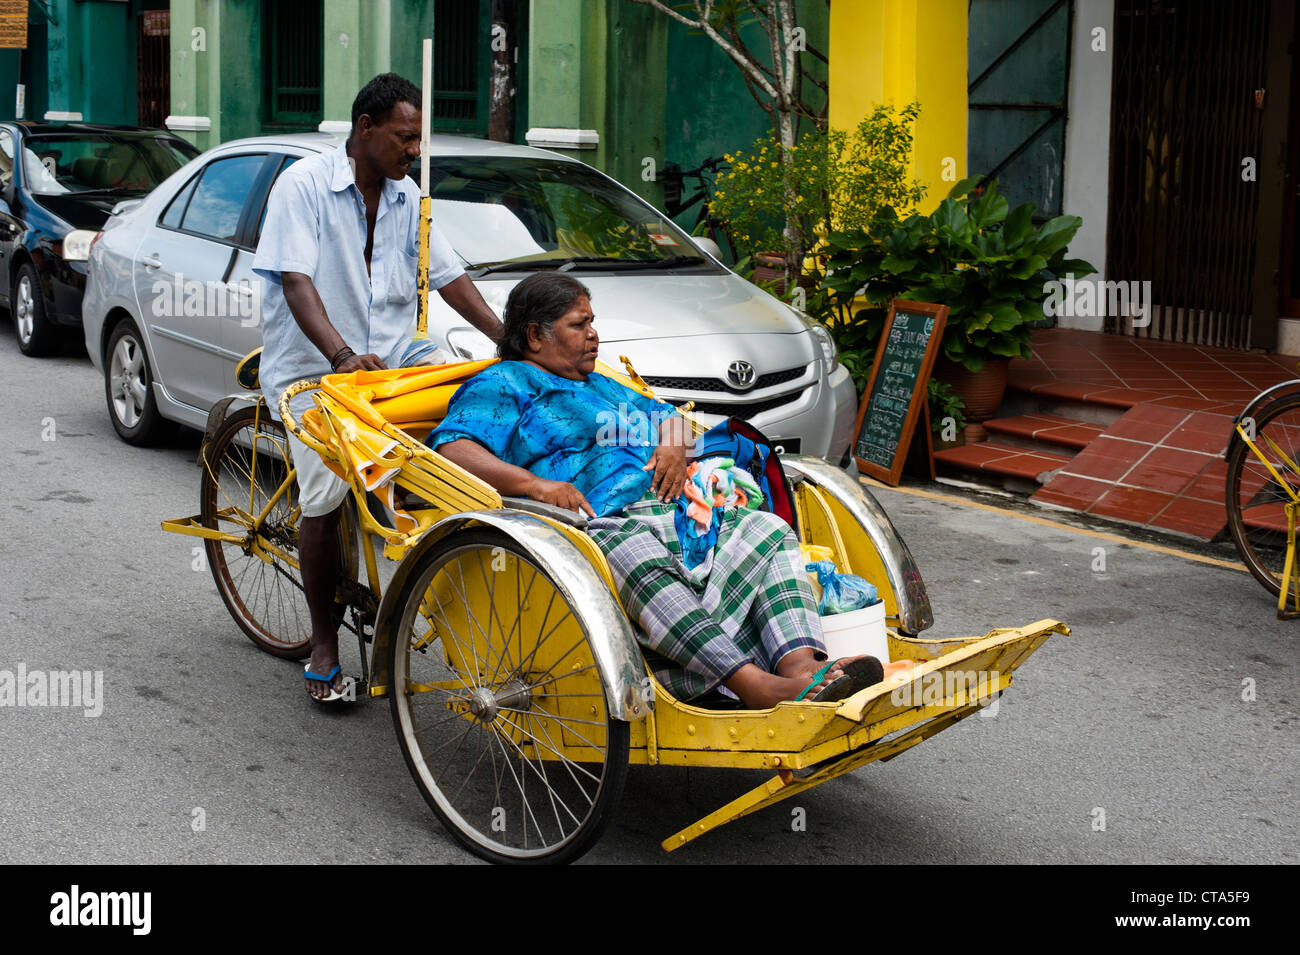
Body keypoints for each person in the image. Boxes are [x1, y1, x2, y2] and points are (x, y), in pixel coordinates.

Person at [428, 273, 882, 709]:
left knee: (765, 529)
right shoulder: (504, 384)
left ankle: (803, 669)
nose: (593, 335)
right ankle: (754, 683)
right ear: (534, 336)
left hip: (669, 512)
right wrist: (536, 485)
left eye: (592, 322)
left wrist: (672, 442)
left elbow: (669, 415)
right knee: (633, 551)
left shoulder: (599, 382)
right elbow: (455, 448)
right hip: (593, 524)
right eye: (578, 324)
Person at [253, 73, 505, 702]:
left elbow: (448, 277)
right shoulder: (303, 187)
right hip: (314, 369)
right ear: (365, 129)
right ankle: (322, 643)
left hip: (392, 358)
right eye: (404, 137)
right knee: (325, 490)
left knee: (469, 401)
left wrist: (511, 342)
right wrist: (340, 355)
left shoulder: (405, 194)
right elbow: (296, 284)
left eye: (418, 139)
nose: (413, 150)